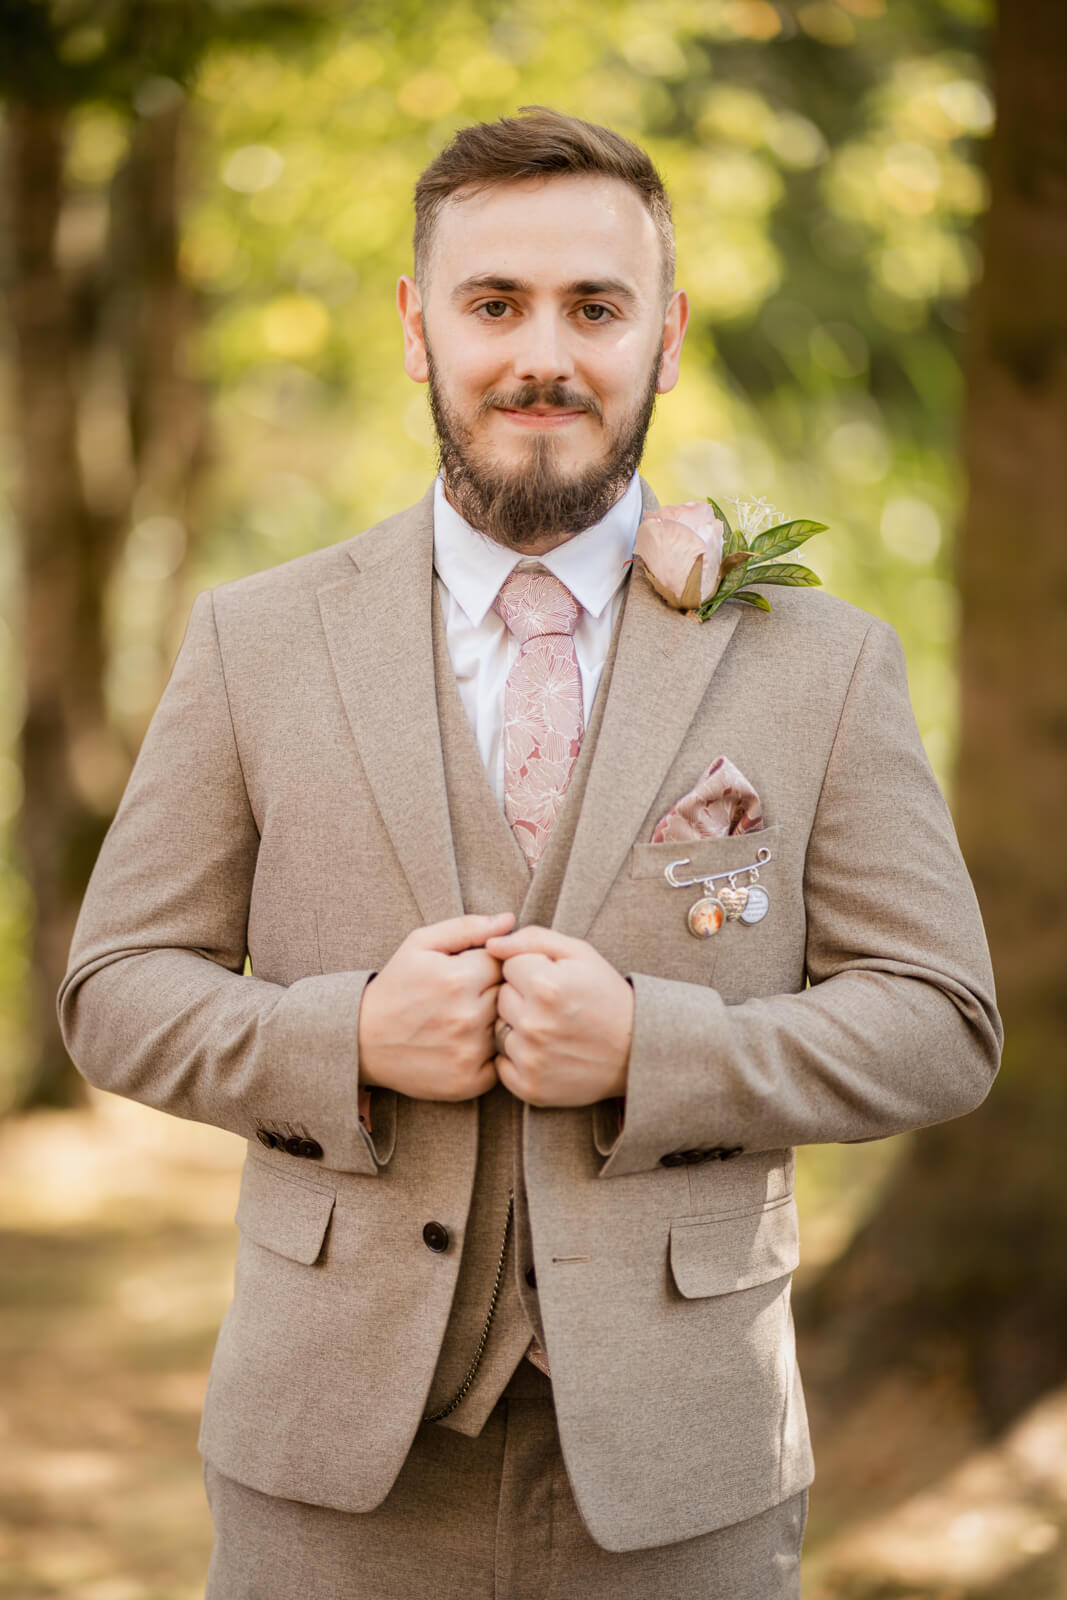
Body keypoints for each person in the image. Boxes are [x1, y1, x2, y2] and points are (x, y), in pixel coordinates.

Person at [58, 106, 1001, 1598]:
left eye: (595, 307)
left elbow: (943, 1023)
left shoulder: (823, 661)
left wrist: (656, 1047)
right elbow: (113, 989)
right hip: (330, 1468)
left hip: (684, 1467)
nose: (541, 354)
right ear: (417, 327)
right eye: (493, 303)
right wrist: (346, 1031)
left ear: (667, 337)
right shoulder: (257, 638)